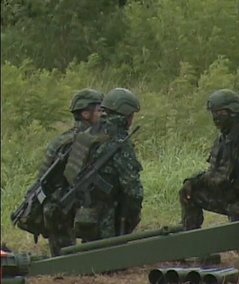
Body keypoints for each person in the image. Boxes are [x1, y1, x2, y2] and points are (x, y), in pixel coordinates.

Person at [11, 89, 105, 255]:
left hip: (57, 207)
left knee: (63, 262)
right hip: (62, 206)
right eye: (99, 110)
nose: (103, 114)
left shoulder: (64, 138)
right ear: (85, 114)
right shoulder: (81, 141)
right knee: (66, 263)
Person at [179, 89, 239, 231]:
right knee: (188, 193)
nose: (216, 118)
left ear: (233, 111)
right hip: (234, 197)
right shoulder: (225, 138)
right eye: (213, 113)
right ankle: (194, 246)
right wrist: (193, 182)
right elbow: (216, 174)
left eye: (220, 113)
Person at [67, 87, 143, 242]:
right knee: (107, 259)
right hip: (107, 215)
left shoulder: (89, 133)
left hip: (82, 209)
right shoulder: (119, 140)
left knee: (90, 254)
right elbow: (132, 188)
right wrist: (133, 213)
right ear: (126, 115)